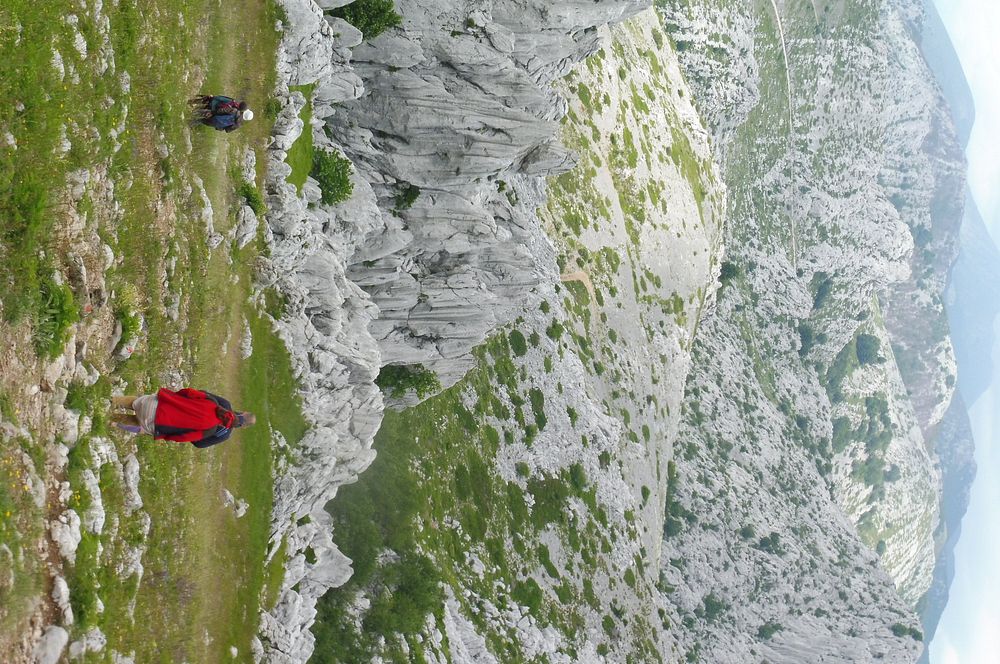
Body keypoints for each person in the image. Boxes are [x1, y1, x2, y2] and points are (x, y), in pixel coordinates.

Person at [111, 388, 256, 448]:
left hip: (159, 404)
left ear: (242, 412)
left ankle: (109, 400)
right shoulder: (215, 432)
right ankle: (110, 420)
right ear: (240, 426)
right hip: (156, 425)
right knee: (136, 422)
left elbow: (190, 392)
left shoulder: (216, 402)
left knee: (134, 402)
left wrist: (176, 399)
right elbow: (194, 442)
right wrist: (170, 434)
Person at [188, 95, 254, 133]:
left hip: (215, 116)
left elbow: (221, 111)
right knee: (202, 121)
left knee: (201, 116)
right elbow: (227, 130)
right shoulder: (238, 125)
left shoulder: (234, 111)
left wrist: (213, 113)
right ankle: (188, 123)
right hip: (216, 124)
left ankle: (188, 114)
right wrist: (218, 126)